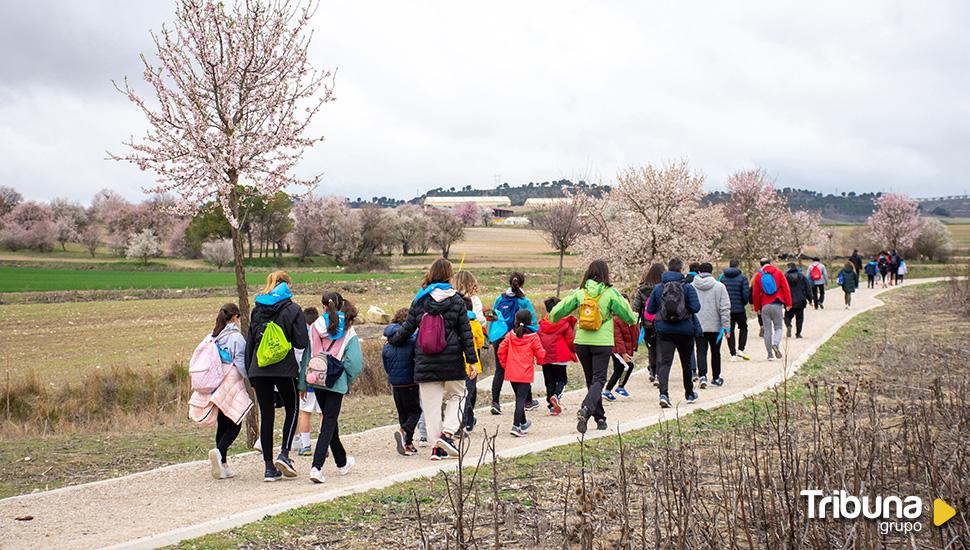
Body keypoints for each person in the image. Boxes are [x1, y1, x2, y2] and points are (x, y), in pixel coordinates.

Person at [390, 258, 478, 460]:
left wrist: (393, 340)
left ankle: (436, 448)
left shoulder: (420, 300)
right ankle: (447, 434)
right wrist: (472, 361)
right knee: (459, 395)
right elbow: (465, 333)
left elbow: (407, 329)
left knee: (430, 406)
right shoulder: (456, 300)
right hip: (452, 361)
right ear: (449, 275)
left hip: (425, 361)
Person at [550, 260, 637, 432]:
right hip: (602, 342)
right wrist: (633, 318)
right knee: (599, 380)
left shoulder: (580, 292)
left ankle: (600, 418)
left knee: (592, 381)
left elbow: (558, 310)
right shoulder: (610, 292)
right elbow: (627, 314)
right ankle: (586, 408)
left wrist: (552, 317)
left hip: (582, 342)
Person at [245, 271, 308, 482]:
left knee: (266, 414)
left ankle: (269, 468)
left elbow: (250, 343)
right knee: (292, 408)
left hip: (258, 369)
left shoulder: (257, 309)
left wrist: (250, 373)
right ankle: (285, 453)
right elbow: (301, 342)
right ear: (287, 285)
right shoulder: (293, 309)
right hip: (284, 368)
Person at [301, 291, 362, 483]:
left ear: (323, 307)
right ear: (341, 305)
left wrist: (303, 383)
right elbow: (354, 362)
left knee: (330, 420)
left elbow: (307, 355)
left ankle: (342, 462)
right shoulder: (348, 331)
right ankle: (316, 467)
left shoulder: (314, 328)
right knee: (328, 421)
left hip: (316, 379)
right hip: (335, 380)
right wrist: (347, 379)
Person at [191, 303, 252, 480]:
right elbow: (240, 361)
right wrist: (250, 379)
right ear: (235, 317)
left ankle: (222, 464)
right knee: (236, 421)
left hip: (215, 384)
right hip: (230, 382)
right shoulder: (235, 337)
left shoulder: (213, 335)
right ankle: (219, 452)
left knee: (223, 422)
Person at [645, 258, 701, 408]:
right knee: (686, 362)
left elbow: (650, 310)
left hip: (664, 331)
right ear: (681, 270)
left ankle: (664, 394)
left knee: (664, 363)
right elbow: (696, 307)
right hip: (685, 330)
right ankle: (689, 393)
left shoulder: (658, 288)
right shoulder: (687, 287)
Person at [487, 272, 539, 415]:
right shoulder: (524, 301)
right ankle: (527, 401)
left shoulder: (499, 299)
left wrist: (492, 337)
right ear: (522, 284)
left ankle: (495, 402)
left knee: (499, 370)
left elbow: (492, 318)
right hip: (517, 339)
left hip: (499, 338)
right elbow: (533, 323)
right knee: (521, 370)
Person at [498, 309, 547, 437]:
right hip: (524, 374)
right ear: (530, 321)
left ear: (516, 321)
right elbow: (541, 353)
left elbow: (501, 350)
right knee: (521, 400)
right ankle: (515, 426)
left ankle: (524, 423)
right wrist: (541, 360)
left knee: (519, 398)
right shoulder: (533, 337)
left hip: (512, 372)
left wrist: (505, 365)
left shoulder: (510, 335)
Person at [382, 308, 421, 456]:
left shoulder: (388, 342)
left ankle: (407, 444)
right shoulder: (412, 340)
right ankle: (405, 432)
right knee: (416, 411)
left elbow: (385, 363)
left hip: (395, 382)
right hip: (410, 381)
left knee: (403, 412)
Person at [452, 270, 486, 432]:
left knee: (459, 385)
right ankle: (466, 418)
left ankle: (468, 417)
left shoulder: (451, 299)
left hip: (454, 347)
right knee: (470, 384)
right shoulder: (474, 301)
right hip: (471, 347)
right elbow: (480, 321)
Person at [691, 263, 730, 388]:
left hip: (698, 325)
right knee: (715, 351)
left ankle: (702, 376)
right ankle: (716, 377)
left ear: (699, 272)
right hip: (715, 326)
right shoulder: (720, 287)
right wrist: (726, 326)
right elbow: (725, 308)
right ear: (711, 272)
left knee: (701, 351)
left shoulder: (691, 286)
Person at [537, 296, 576, 415]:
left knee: (549, 382)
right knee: (562, 380)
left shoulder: (541, 324)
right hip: (560, 357)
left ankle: (551, 406)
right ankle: (556, 396)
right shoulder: (564, 323)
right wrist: (574, 351)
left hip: (545, 357)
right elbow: (571, 339)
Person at [751, 259, 792, 361]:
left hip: (765, 305)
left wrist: (757, 307)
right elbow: (786, 288)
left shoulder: (759, 276)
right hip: (777, 304)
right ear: (771, 263)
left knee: (767, 331)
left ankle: (769, 355)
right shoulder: (778, 272)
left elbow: (755, 293)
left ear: (761, 265)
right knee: (778, 327)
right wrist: (788, 303)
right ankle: (775, 344)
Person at [631, 263, 665, 383]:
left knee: (651, 348)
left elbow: (635, 309)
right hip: (662, 323)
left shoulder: (641, 289)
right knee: (661, 347)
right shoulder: (664, 287)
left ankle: (652, 371)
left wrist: (634, 323)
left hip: (647, 324)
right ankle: (660, 374)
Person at [295, 306, 320, 456]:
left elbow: (302, 361)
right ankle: (325, 444)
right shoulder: (323, 333)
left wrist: (301, 384)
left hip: (309, 380)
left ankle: (306, 446)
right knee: (323, 413)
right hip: (323, 380)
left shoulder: (304, 336)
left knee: (305, 412)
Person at [603, 300, 640, 399]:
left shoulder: (630, 318)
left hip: (623, 349)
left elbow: (635, 335)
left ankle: (608, 391)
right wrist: (623, 353)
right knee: (627, 366)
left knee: (618, 369)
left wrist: (634, 322)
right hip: (616, 349)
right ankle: (619, 387)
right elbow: (617, 338)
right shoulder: (615, 319)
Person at [719, 260, 752, 361]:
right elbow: (746, 294)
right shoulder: (742, 278)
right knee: (743, 327)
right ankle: (741, 348)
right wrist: (743, 303)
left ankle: (732, 353)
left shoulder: (723, 278)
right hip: (739, 309)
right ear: (738, 266)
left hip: (727, 309)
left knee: (729, 330)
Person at [784, 262, 812, 339]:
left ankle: (789, 325)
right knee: (799, 317)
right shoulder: (802, 276)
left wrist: (782, 300)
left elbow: (782, 289)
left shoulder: (785, 277)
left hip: (789, 301)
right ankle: (798, 333)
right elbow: (808, 288)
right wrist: (810, 299)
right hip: (801, 300)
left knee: (787, 316)